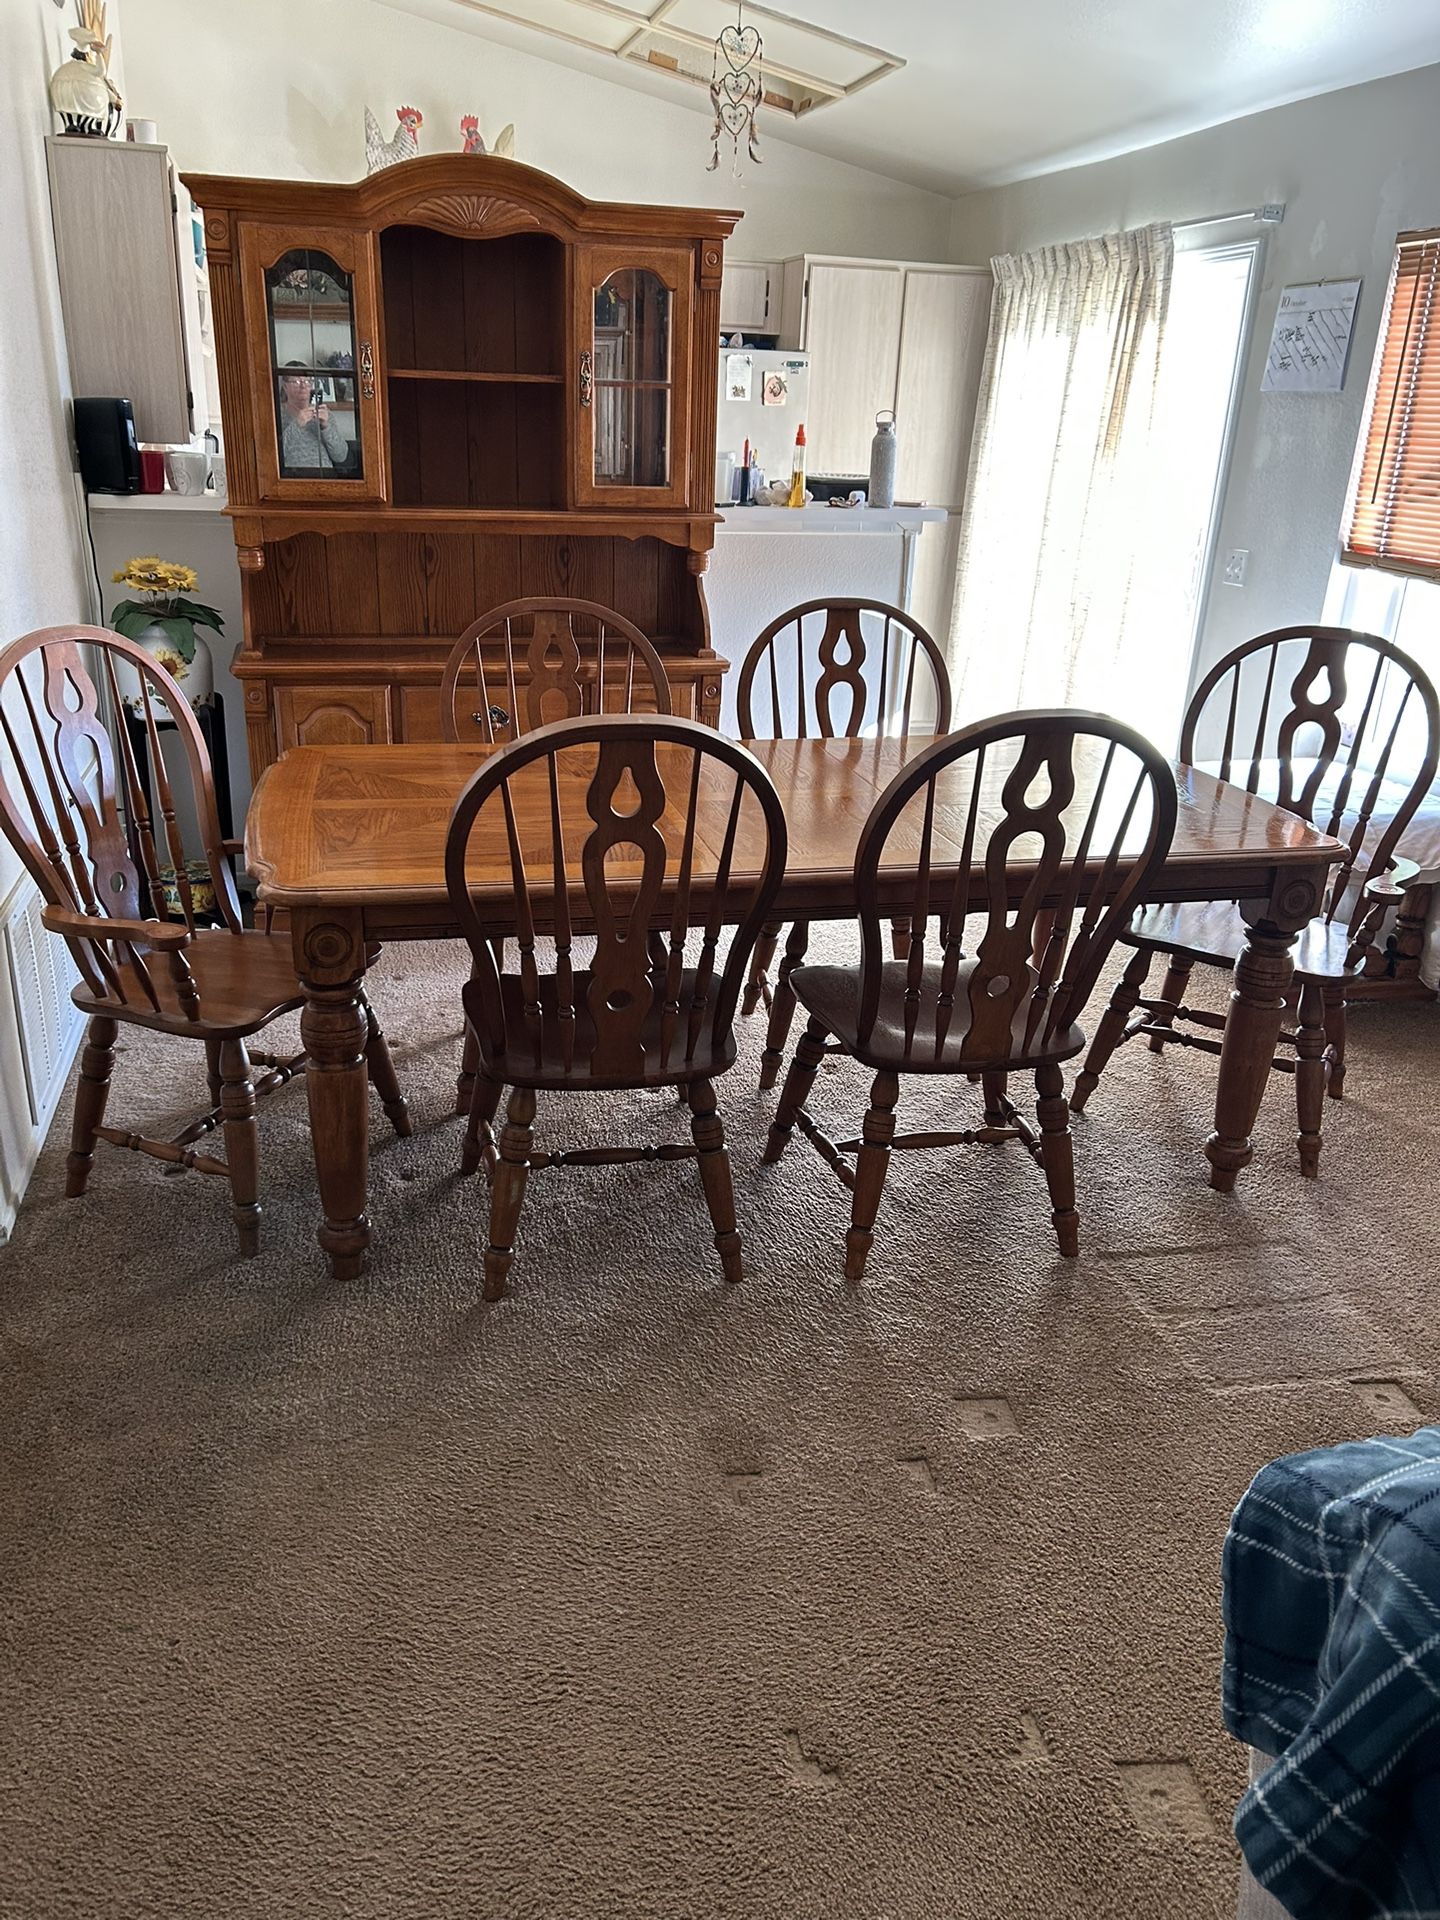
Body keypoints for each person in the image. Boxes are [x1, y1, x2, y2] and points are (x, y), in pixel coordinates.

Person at [277, 364, 351, 472]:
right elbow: (273, 456)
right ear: (285, 386)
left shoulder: (325, 413)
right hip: (293, 478)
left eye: (307, 382)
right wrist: (297, 424)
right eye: (296, 382)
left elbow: (341, 456)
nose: (303, 387)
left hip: (326, 478)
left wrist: (326, 427)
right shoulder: (277, 414)